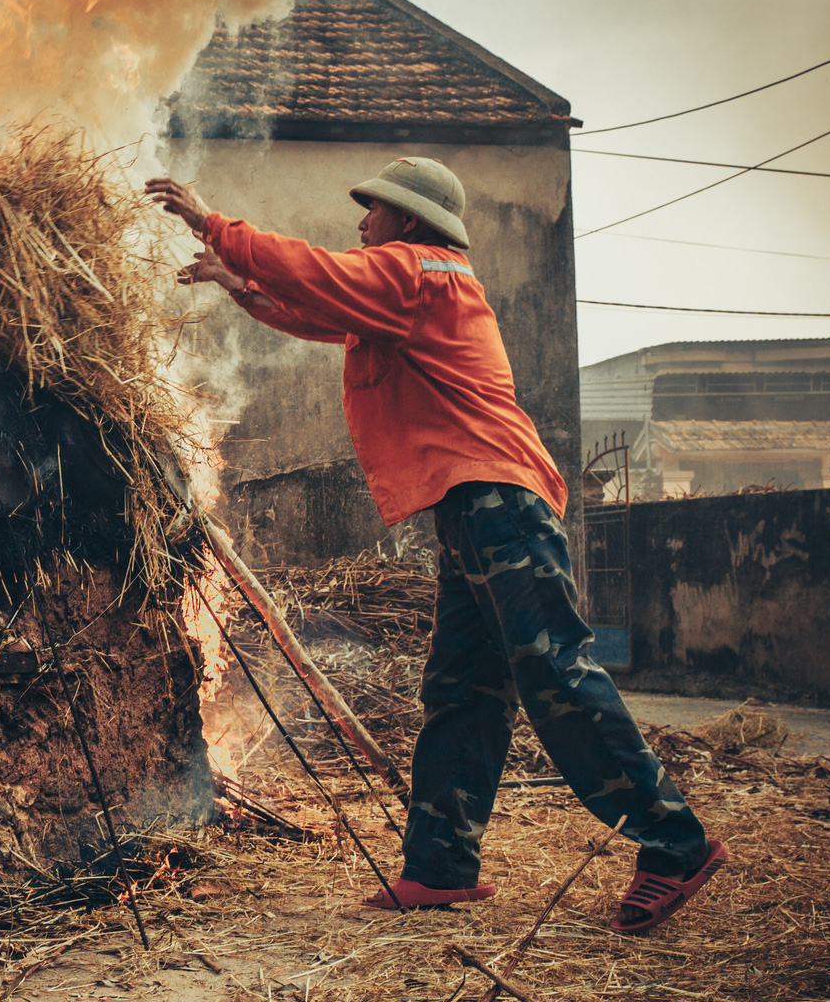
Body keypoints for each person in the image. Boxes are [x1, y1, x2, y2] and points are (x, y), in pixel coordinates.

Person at [145, 158, 726, 933]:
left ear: (409, 221)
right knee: (463, 690)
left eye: (373, 211)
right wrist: (239, 283)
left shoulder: (425, 273)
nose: (360, 223)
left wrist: (215, 223)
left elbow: (322, 274)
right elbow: (321, 309)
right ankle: (441, 867)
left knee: (554, 670)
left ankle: (675, 841)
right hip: (472, 510)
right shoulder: (405, 289)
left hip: (501, 503)